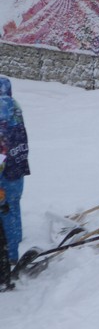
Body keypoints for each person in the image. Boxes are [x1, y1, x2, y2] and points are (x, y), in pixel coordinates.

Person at [0, 78, 29, 266]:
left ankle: (10, 256)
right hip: (18, 168)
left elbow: (2, 147)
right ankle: (15, 242)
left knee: (5, 213)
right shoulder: (15, 107)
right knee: (13, 207)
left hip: (4, 173)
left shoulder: (2, 110)